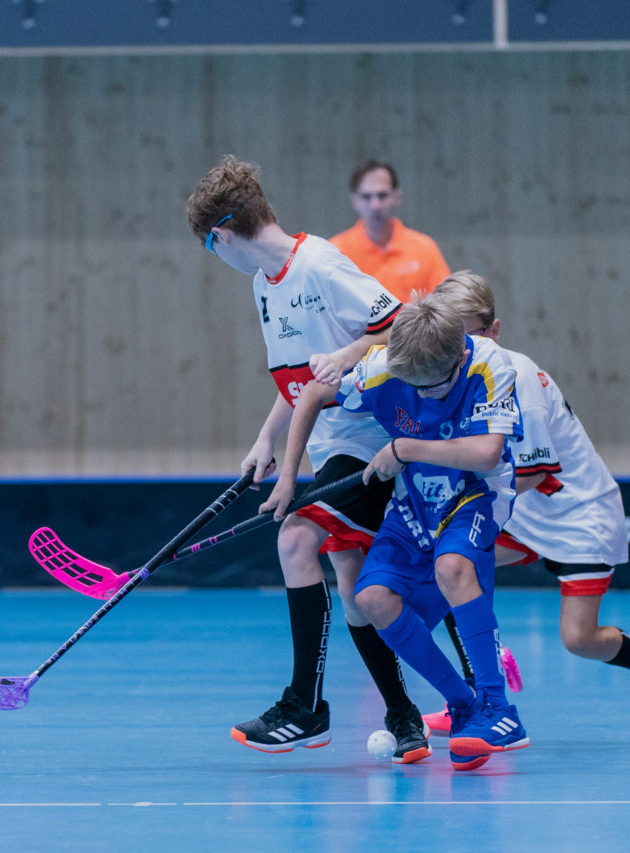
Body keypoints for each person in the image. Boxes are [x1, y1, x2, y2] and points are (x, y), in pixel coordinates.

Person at [186, 156, 432, 763]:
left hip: (372, 440)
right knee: (353, 587)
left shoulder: (320, 264)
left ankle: (305, 706)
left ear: (223, 235)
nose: (216, 257)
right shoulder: (264, 285)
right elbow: (297, 382)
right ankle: (404, 716)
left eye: (209, 247)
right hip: (328, 445)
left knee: (296, 536)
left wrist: (350, 353)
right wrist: (265, 440)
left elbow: (406, 327)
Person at [261, 299, 530, 771]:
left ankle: (497, 707)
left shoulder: (489, 364)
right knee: (371, 598)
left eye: (435, 386)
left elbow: (488, 453)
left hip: (476, 492)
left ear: (460, 356)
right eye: (414, 386)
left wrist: (404, 448)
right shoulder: (383, 366)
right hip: (415, 499)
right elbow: (311, 393)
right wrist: (288, 477)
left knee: (453, 568)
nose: (424, 395)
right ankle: (463, 703)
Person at [422, 271, 630, 743]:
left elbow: (533, 474)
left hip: (578, 515)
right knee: (448, 568)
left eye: (468, 335)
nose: (458, 348)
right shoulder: (457, 376)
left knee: (579, 639)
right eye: (448, 337)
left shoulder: (517, 378)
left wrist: (454, 499)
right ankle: (476, 692)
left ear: (494, 330)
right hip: (522, 512)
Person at [330, 160, 451, 303]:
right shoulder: (336, 252)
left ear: (396, 197)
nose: (375, 205)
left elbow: (444, 303)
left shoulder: (424, 248)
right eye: (366, 196)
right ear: (354, 201)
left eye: (382, 195)